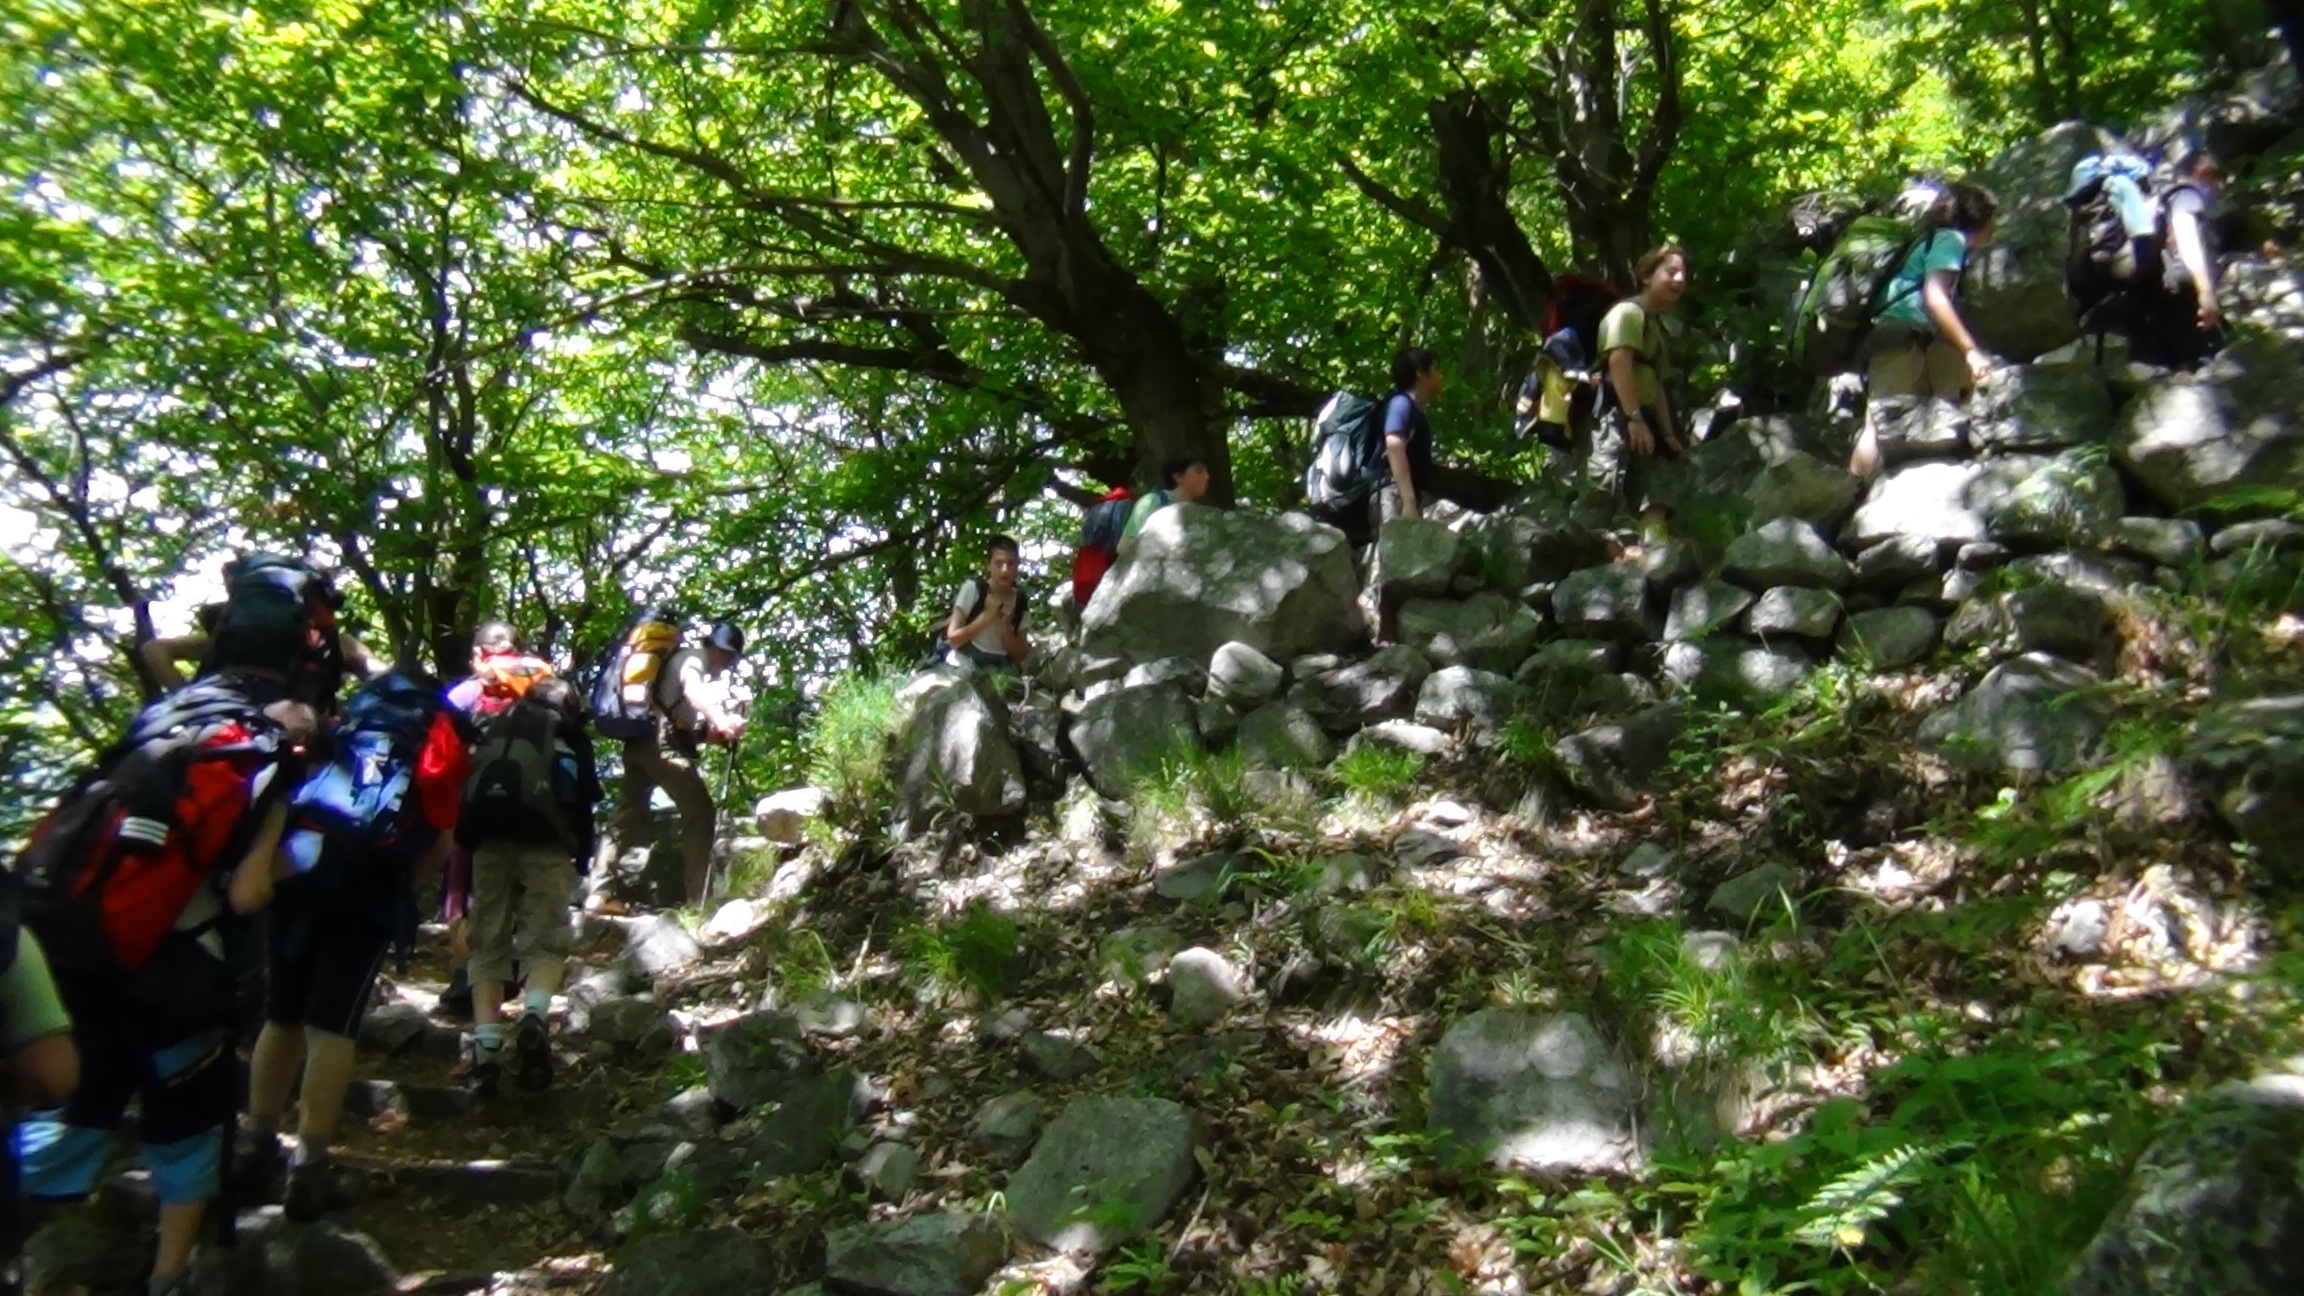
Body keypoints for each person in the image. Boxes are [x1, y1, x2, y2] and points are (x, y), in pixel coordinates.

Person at [15, 683, 309, 1296]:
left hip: (77, 953)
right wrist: (291, 863)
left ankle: (33, 1251)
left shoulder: (151, 748)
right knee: (188, 1124)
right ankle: (167, 1277)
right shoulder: (263, 776)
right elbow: (247, 894)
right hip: (177, 977)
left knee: (74, 1105)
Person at [239, 671, 468, 1221]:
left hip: (298, 870)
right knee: (332, 1026)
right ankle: (309, 1168)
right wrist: (402, 887)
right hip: (366, 890)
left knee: (282, 1014)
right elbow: (442, 843)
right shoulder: (435, 748)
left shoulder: (344, 731)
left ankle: (255, 1145)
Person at [457, 677, 600, 1095]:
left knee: (487, 942)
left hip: (489, 843)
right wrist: (581, 856)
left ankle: (486, 1050)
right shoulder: (569, 736)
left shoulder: (495, 727)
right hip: (547, 844)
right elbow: (584, 801)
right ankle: (534, 1015)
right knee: (546, 939)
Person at [1849, 183, 2001, 478]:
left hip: (1904, 336)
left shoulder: (1929, 240)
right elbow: (1935, 297)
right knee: (1878, 425)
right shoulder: (1950, 240)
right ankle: (1846, 496)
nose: (1994, 228)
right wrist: (1970, 351)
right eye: (1992, 219)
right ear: (1978, 219)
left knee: (1886, 421)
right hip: (1899, 336)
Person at [141, 557, 390, 710]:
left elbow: (153, 649)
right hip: (295, 729)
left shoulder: (228, 641)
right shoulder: (338, 644)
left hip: (213, 713)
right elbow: (382, 674)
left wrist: (183, 695)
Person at [615, 621, 745, 904]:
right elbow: (693, 690)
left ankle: (598, 894)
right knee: (701, 813)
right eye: (729, 657)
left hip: (639, 742)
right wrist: (722, 719)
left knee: (626, 819)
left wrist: (710, 735)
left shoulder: (676, 660)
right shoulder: (694, 659)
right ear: (718, 650)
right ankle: (700, 900)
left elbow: (678, 720)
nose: (728, 664)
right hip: (660, 747)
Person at [1595, 245, 1691, 539]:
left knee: (1653, 491)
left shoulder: (1655, 325)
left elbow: (1656, 382)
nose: (1679, 280)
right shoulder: (1628, 313)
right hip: (1614, 414)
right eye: (1671, 272)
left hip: (1641, 418)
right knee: (1602, 491)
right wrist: (1634, 418)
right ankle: (1588, 551)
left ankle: (1650, 552)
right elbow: (1618, 362)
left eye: (1683, 274)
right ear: (1647, 276)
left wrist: (1667, 433)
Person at [2135, 150, 2225, 371]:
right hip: (2184, 288)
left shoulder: (2159, 202)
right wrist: (2205, 291)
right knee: (2214, 364)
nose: (2220, 188)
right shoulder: (2186, 195)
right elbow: (2187, 237)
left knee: (2187, 367)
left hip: (2157, 292)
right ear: (2202, 172)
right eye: (2218, 179)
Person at [1374, 348, 1442, 527]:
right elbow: (1394, 447)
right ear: (1420, 374)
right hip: (1392, 496)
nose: (1439, 375)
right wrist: (1409, 502)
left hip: (1399, 496)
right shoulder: (1401, 404)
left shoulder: (1408, 407)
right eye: (1434, 369)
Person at [942, 537, 1030, 672]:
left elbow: (1021, 655)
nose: (1005, 570)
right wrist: (987, 615)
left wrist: (1005, 626)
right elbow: (953, 639)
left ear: (1018, 565)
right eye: (998, 564)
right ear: (988, 565)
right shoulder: (973, 589)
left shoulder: (1020, 600)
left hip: (1001, 668)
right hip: (966, 663)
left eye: (1011, 563)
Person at [1122, 454, 1211, 538]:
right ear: (1178, 477)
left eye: (1206, 471)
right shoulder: (1152, 502)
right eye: (1199, 471)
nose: (1207, 476)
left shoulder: (1200, 512)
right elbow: (1125, 545)